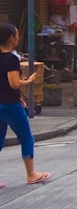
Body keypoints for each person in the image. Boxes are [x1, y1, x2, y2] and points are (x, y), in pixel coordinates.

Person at [0, 23, 50, 186]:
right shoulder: (11, 59)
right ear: (11, 39)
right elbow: (13, 83)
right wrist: (28, 80)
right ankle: (31, 174)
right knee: (27, 138)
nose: (18, 38)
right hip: (10, 105)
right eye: (16, 35)